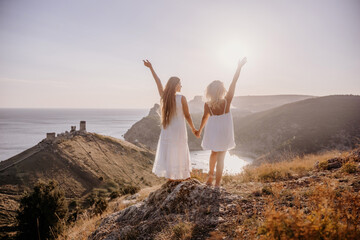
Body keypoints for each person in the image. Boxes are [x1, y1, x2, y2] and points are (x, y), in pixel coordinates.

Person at [195, 57, 247, 187]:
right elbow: (234, 82)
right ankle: (217, 183)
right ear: (221, 90)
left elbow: (204, 117)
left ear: (210, 91)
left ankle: (209, 177)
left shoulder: (207, 104)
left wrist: (199, 130)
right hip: (224, 130)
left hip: (213, 129)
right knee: (221, 157)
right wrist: (239, 67)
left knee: (213, 153)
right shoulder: (227, 101)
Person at [143, 59, 196, 180]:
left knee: (169, 151)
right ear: (176, 84)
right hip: (179, 129)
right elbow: (187, 115)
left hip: (167, 129)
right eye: (180, 83)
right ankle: (184, 177)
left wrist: (151, 68)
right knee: (180, 150)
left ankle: (171, 178)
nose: (181, 86)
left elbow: (158, 82)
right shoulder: (181, 98)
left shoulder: (164, 97)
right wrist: (193, 129)